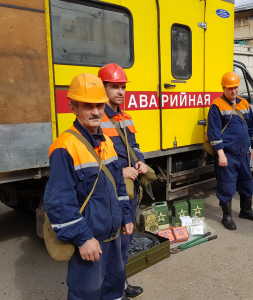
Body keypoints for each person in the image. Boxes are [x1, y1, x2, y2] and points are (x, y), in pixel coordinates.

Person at [43, 73, 133, 300]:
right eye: (87, 106)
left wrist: (126, 216)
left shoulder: (106, 141)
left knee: (113, 290)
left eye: (99, 105)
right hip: (90, 241)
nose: (96, 111)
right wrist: (82, 238)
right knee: (87, 295)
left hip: (113, 238)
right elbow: (59, 202)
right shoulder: (65, 146)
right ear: (73, 107)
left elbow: (119, 186)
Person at [98, 63, 157, 298]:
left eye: (122, 87)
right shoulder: (97, 117)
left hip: (128, 190)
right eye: (114, 87)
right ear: (102, 88)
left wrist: (141, 161)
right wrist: (120, 172)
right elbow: (93, 159)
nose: (120, 92)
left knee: (125, 240)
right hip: (110, 190)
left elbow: (134, 146)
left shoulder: (126, 116)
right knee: (110, 244)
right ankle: (108, 290)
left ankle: (120, 286)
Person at [207, 71, 253, 230]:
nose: (233, 91)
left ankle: (246, 210)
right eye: (230, 88)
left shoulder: (244, 104)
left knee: (247, 182)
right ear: (223, 88)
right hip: (228, 155)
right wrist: (220, 153)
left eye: (236, 87)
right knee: (226, 185)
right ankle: (227, 216)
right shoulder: (217, 105)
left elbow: (252, 126)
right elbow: (214, 132)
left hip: (244, 153)